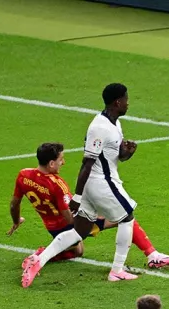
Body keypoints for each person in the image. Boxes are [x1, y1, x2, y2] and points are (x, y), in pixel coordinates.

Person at [22, 83, 151, 287]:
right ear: (117, 102)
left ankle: (39, 260)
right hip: (100, 182)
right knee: (127, 217)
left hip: (100, 181)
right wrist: (78, 197)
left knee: (79, 231)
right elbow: (87, 163)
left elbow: (115, 157)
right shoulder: (99, 128)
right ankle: (117, 270)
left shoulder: (114, 124)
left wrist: (127, 152)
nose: (128, 103)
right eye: (126, 99)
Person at [8, 142, 169, 269]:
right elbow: (69, 217)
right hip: (69, 225)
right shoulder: (56, 184)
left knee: (78, 251)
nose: (64, 162)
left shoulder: (24, 175)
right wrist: (93, 217)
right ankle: (152, 255)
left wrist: (16, 220)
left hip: (52, 227)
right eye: (61, 159)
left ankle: (40, 255)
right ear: (51, 163)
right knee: (124, 217)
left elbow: (14, 203)